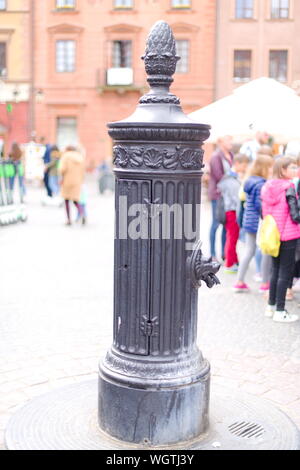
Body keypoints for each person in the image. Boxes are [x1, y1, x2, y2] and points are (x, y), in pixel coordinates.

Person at [262, 157, 300, 322]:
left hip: (273, 234)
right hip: (288, 235)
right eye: (292, 168)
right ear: (283, 170)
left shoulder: (268, 187)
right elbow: (295, 215)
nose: (295, 170)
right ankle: (280, 311)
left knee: (275, 271)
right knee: (285, 273)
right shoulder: (289, 187)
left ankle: (271, 307)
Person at [233, 154, 274, 293]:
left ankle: (239, 281)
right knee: (265, 251)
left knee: (249, 251)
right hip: (259, 222)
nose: (271, 169)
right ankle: (264, 283)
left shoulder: (250, 181)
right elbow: (260, 205)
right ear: (264, 168)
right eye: (270, 167)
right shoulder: (261, 184)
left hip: (249, 222)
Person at [218, 153, 250, 273]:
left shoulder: (232, 177)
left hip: (231, 210)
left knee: (232, 237)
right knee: (232, 238)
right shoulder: (230, 178)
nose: (245, 168)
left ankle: (233, 260)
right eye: (244, 165)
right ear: (237, 164)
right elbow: (235, 197)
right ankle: (229, 263)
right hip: (232, 211)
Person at [208, 135, 234, 261]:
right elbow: (219, 176)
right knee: (216, 223)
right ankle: (212, 254)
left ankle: (225, 253)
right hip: (218, 195)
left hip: (229, 194)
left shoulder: (231, 155)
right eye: (228, 139)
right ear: (220, 141)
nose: (231, 142)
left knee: (226, 224)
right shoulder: (215, 156)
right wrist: (233, 175)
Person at [59, 146, 85, 226]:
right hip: (77, 181)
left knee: (66, 200)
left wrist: (61, 177)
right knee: (75, 200)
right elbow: (83, 171)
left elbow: (62, 169)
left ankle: (69, 220)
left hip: (67, 180)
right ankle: (82, 213)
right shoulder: (80, 157)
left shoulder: (65, 156)